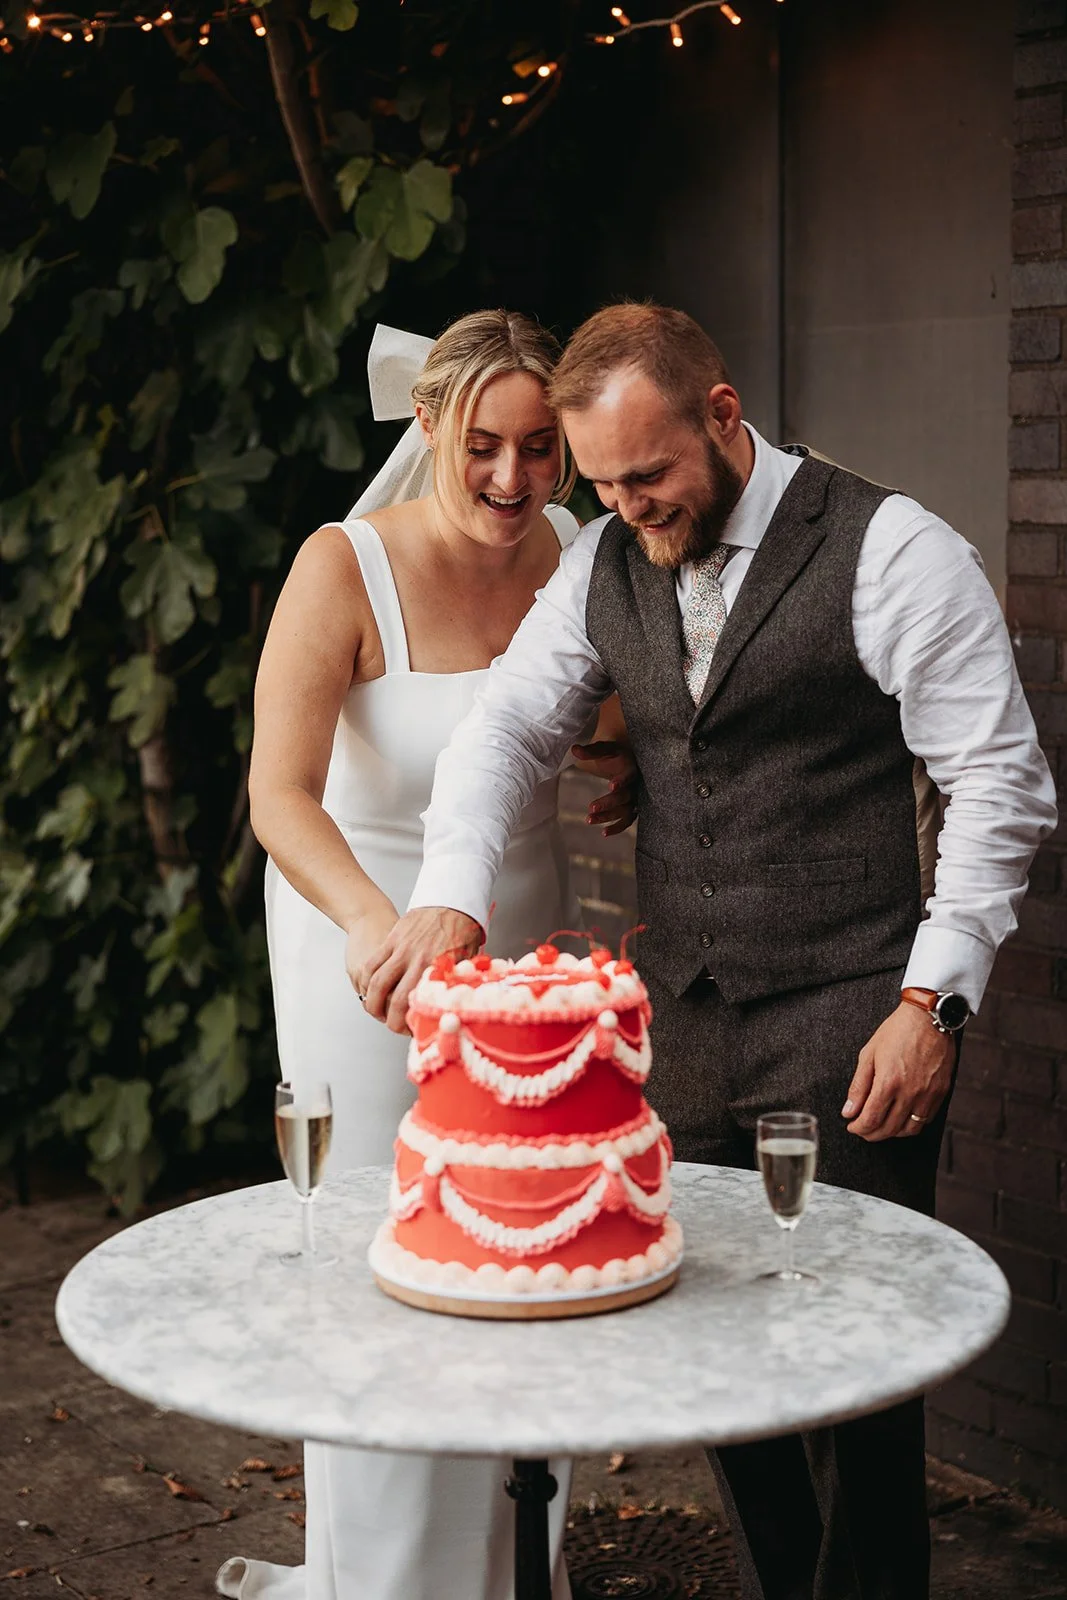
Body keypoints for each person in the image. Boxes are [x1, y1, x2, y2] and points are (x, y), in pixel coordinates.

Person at [362, 302, 1058, 1600]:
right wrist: (449, 892)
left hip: (855, 1017)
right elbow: (506, 726)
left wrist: (934, 1002)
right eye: (607, 485)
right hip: (683, 1027)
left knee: (860, 1367)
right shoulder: (604, 561)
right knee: (717, 1362)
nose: (628, 506)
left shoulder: (891, 549)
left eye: (651, 475)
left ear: (722, 417)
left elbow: (997, 785)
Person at [215, 312, 635, 1600]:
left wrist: (631, 774)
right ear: (429, 432)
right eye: (483, 449)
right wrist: (367, 924)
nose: (513, 481)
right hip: (363, 952)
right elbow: (279, 796)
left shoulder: (573, 553)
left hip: (521, 941)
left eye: (540, 453)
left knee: (522, 1239)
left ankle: (514, 1569)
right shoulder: (342, 567)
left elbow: (603, 711)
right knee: (385, 1260)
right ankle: (386, 1581)